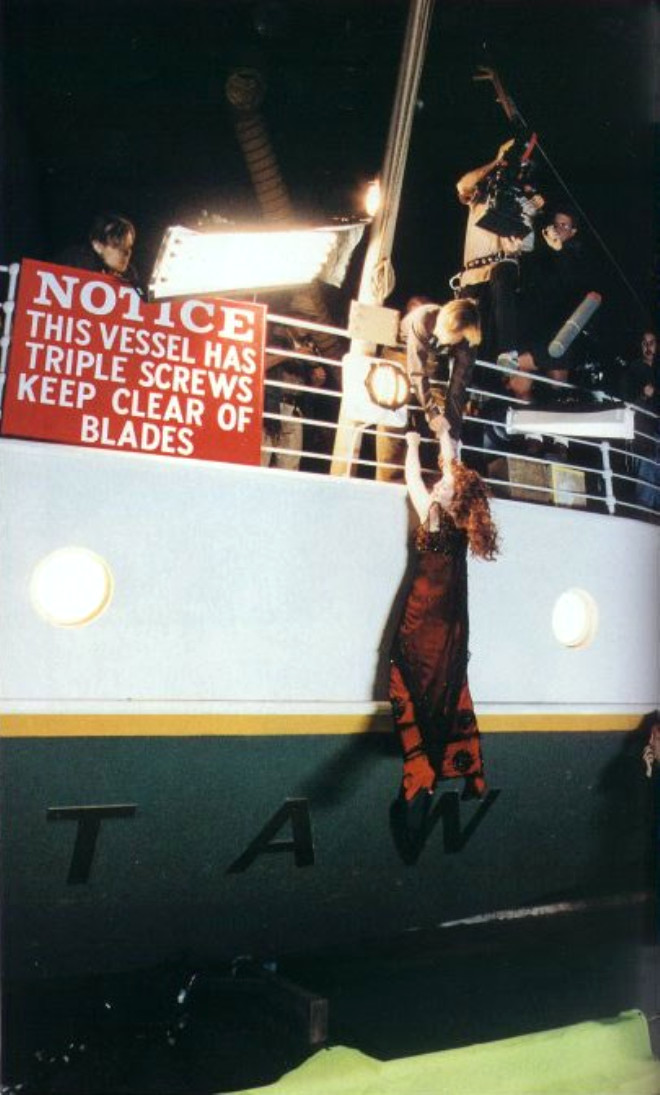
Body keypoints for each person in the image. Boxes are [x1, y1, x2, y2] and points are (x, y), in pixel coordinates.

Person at [389, 425, 499, 803]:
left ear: (456, 497)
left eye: (443, 486)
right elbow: (438, 471)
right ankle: (443, 769)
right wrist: (434, 438)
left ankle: (428, 768)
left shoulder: (441, 516)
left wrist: (419, 442)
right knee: (436, 682)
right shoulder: (445, 517)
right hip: (436, 616)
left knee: (418, 677)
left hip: (430, 616)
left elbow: (423, 476)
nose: (437, 487)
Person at [455, 140, 544, 372]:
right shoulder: (482, 193)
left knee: (504, 271)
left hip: (501, 272)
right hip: (474, 276)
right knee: (465, 343)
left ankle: (507, 350)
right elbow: (463, 185)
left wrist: (518, 239)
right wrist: (496, 161)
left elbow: (528, 244)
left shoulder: (523, 203)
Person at [518, 206, 590, 388]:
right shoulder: (541, 251)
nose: (558, 229)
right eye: (556, 224)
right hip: (535, 329)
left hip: (559, 332)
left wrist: (559, 251)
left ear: (573, 232)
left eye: (564, 225)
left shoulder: (576, 255)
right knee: (520, 381)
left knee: (557, 383)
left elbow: (572, 286)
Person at [56, 213, 143, 293]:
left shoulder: (129, 275)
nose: (127, 253)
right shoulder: (75, 261)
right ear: (97, 246)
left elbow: (142, 297)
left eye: (129, 247)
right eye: (118, 247)